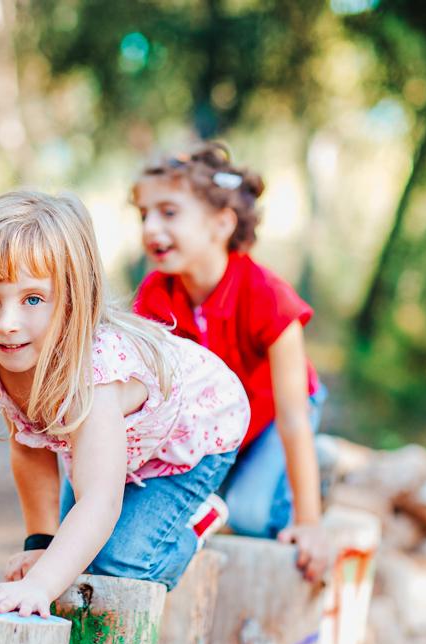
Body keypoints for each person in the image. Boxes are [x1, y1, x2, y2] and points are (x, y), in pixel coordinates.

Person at [0, 190, 249, 617]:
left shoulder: (93, 378)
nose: (7, 323)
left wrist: (40, 586)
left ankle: (198, 520)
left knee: (119, 563)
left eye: (33, 300)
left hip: (198, 432)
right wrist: (40, 545)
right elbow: (29, 448)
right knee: (71, 553)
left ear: (74, 299)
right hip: (124, 441)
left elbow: (99, 500)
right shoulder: (13, 354)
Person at [131, 143, 331, 582]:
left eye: (167, 212)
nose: (150, 228)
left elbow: (293, 417)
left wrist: (310, 523)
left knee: (251, 513)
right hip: (218, 428)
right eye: (143, 214)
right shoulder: (155, 296)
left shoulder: (268, 298)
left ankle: (316, 471)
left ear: (222, 223)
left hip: (280, 416)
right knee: (197, 505)